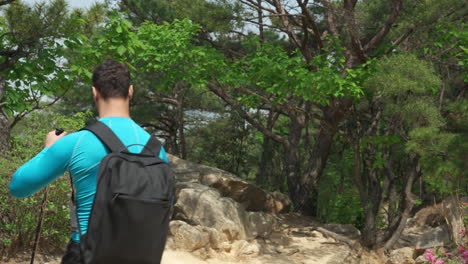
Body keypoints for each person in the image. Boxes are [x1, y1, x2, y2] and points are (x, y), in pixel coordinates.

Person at [9, 59, 169, 264]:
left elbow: (18, 187)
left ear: (95, 92)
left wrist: (49, 149)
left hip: (87, 253)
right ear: (130, 91)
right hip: (142, 256)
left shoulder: (79, 142)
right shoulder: (157, 149)